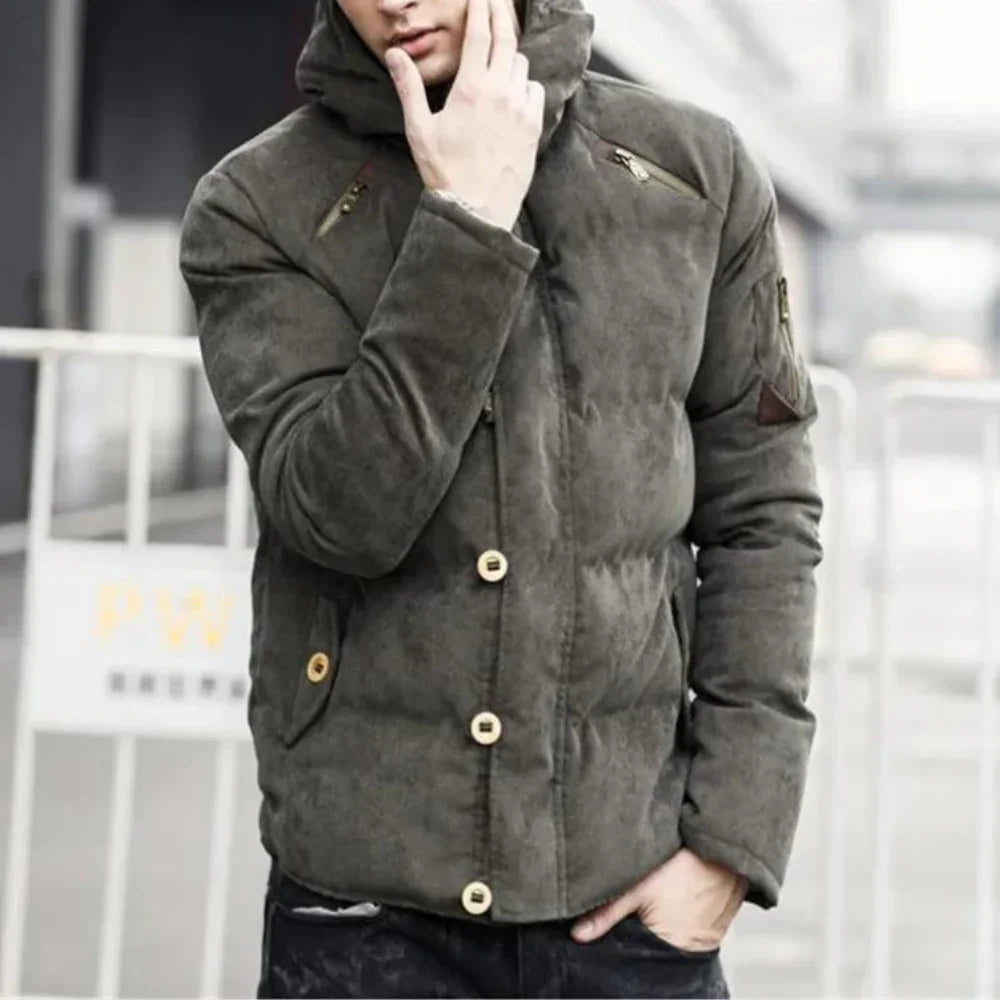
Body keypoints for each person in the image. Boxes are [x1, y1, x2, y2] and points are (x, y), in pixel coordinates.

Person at [178, 0, 824, 995]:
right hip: (365, 917)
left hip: (630, 903)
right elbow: (339, 516)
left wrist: (732, 842)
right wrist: (466, 223)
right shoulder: (258, 203)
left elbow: (763, 515)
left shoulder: (694, 174)